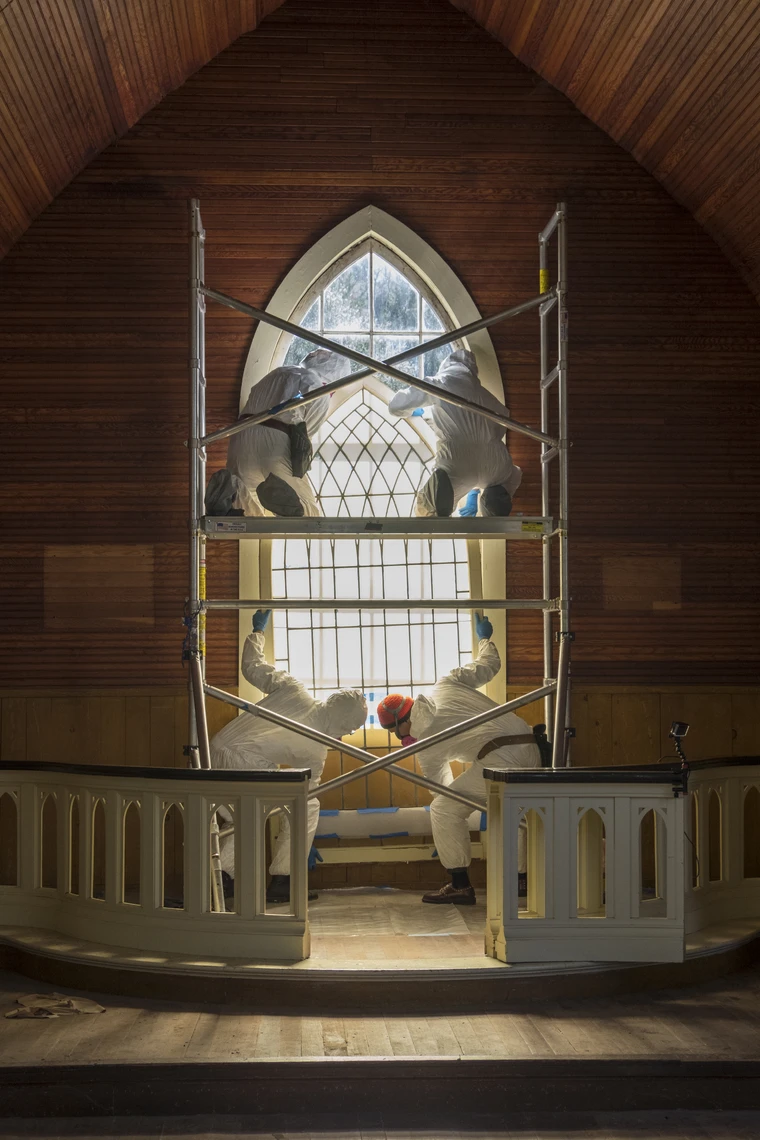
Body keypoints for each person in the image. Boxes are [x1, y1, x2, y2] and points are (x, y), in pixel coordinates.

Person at [376, 613, 540, 904]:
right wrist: (484, 638)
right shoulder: (445, 683)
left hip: (499, 759)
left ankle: (460, 884)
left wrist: (450, 831)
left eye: (393, 732)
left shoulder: (424, 741)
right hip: (531, 743)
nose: (397, 738)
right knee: (512, 809)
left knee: (443, 809)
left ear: (400, 723)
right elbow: (489, 666)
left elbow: (440, 786)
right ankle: (520, 880)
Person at [210, 608, 367, 903]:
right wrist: (300, 843)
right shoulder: (316, 747)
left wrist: (258, 631)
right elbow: (305, 793)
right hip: (245, 767)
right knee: (305, 805)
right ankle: (283, 878)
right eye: (350, 729)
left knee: (248, 814)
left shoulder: (295, 689)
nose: (345, 736)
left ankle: (224, 877)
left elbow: (252, 666)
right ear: (344, 724)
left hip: (213, 752)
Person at [206, 348, 350, 518]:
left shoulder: (277, 373)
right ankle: (292, 499)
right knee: (309, 517)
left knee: (248, 511)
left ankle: (232, 490)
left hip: (241, 438)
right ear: (334, 378)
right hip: (276, 442)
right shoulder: (319, 389)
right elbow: (304, 434)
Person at [387, 349, 522, 518]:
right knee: (512, 474)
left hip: (457, 461)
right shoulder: (490, 398)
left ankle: (435, 507)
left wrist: (411, 411)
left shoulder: (441, 383)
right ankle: (494, 505)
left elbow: (396, 406)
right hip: (495, 464)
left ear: (446, 366)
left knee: (428, 510)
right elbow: (499, 428)